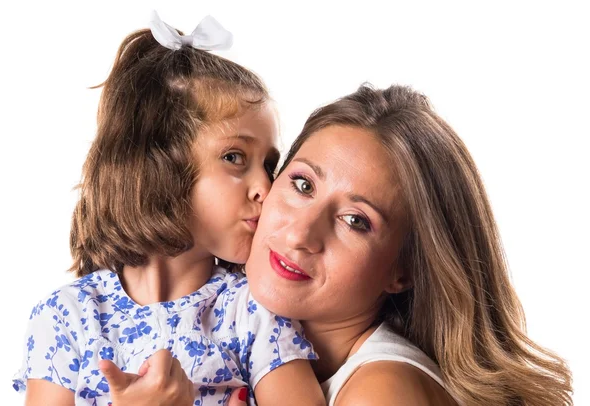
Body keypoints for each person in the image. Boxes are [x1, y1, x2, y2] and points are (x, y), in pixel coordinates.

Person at [113, 83, 573, 405]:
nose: (299, 235)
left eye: (356, 220)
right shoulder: (238, 341)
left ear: (404, 270)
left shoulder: (381, 391)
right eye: (302, 185)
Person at [12, 12, 324, 406]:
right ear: (158, 165)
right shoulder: (66, 317)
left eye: (268, 165)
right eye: (234, 157)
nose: (266, 187)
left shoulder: (254, 309)